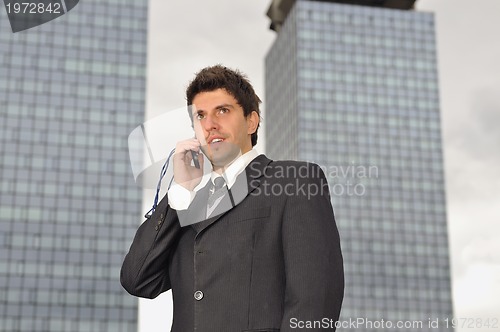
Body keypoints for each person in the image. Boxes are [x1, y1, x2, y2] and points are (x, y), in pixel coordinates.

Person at [121, 65, 344, 332]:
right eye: (200, 115)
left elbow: (315, 300)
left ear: (251, 121)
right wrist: (180, 191)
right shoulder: (187, 201)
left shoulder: (294, 180)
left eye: (222, 111)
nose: (209, 124)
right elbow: (138, 280)